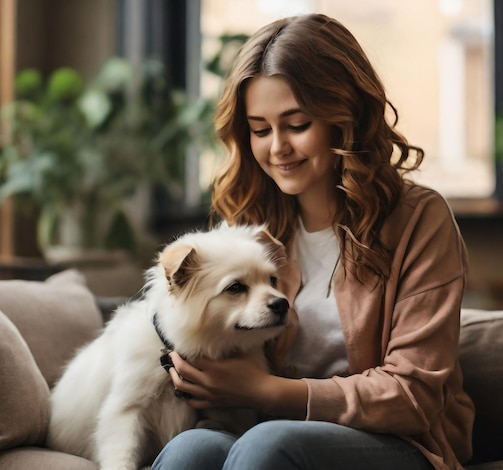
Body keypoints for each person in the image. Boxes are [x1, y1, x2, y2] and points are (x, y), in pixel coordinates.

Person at [152, 12, 475, 470]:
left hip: (400, 442)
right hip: (262, 431)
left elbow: (414, 395)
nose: (277, 147)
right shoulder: (252, 229)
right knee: (193, 450)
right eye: (260, 130)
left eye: (297, 124)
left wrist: (266, 391)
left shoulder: (420, 220)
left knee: (269, 446)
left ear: (344, 118)